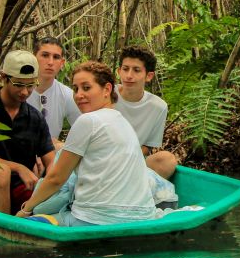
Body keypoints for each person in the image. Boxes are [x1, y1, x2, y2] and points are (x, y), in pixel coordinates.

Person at [17, 61, 158, 226]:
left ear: (107, 89)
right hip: (143, 216)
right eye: (76, 89)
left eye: (86, 88)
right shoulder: (122, 121)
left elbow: (56, 178)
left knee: (32, 220)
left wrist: (26, 209)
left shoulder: (88, 120)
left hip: (96, 219)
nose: (78, 95)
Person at [0, 50, 55, 213]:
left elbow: (51, 159)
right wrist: (18, 168)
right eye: (18, 85)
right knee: (0, 172)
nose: (25, 92)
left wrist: (50, 181)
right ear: (3, 78)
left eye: (30, 85)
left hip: (21, 188)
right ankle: (0, 231)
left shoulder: (35, 118)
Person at [115, 46, 177, 180]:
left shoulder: (158, 107)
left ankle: (132, 186)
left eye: (136, 70)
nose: (129, 75)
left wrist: (126, 158)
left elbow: (147, 146)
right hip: (101, 159)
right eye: (125, 69)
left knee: (167, 160)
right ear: (119, 71)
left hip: (132, 162)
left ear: (149, 76)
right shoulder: (106, 95)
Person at [26, 37, 81, 147]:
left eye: (56, 57)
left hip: (50, 157)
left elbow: (85, 128)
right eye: (45, 55)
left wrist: (62, 146)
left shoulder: (67, 95)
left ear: (62, 63)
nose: (50, 62)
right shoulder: (17, 90)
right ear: (33, 58)